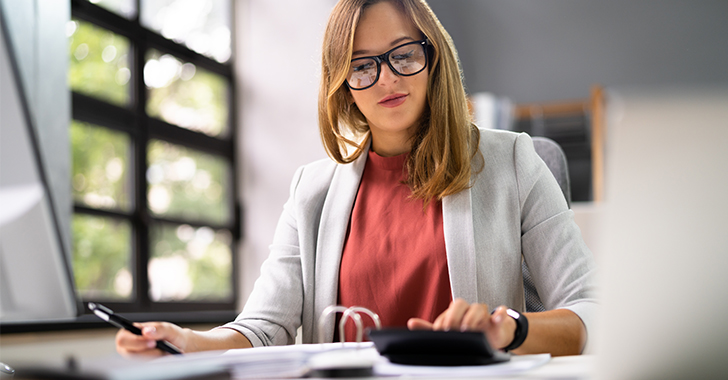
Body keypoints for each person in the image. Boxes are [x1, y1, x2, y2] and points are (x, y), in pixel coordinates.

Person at [116, 0, 596, 357]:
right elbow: (263, 328)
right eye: (362, 66)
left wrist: (508, 327)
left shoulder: (513, 161)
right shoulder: (312, 191)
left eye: (402, 55)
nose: (386, 79)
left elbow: (589, 312)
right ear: (343, 85)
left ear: (433, 58)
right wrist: (188, 341)